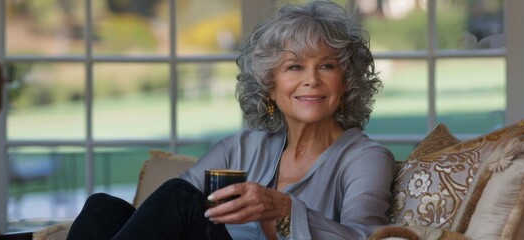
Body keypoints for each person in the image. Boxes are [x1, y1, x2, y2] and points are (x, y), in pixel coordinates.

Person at [66, 0, 396, 239]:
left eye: (327, 65)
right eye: (294, 67)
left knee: (180, 198)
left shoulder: (365, 158)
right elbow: (164, 217)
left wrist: (283, 209)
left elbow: (365, 237)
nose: (312, 79)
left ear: (347, 80)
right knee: (103, 208)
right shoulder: (238, 148)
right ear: (269, 84)